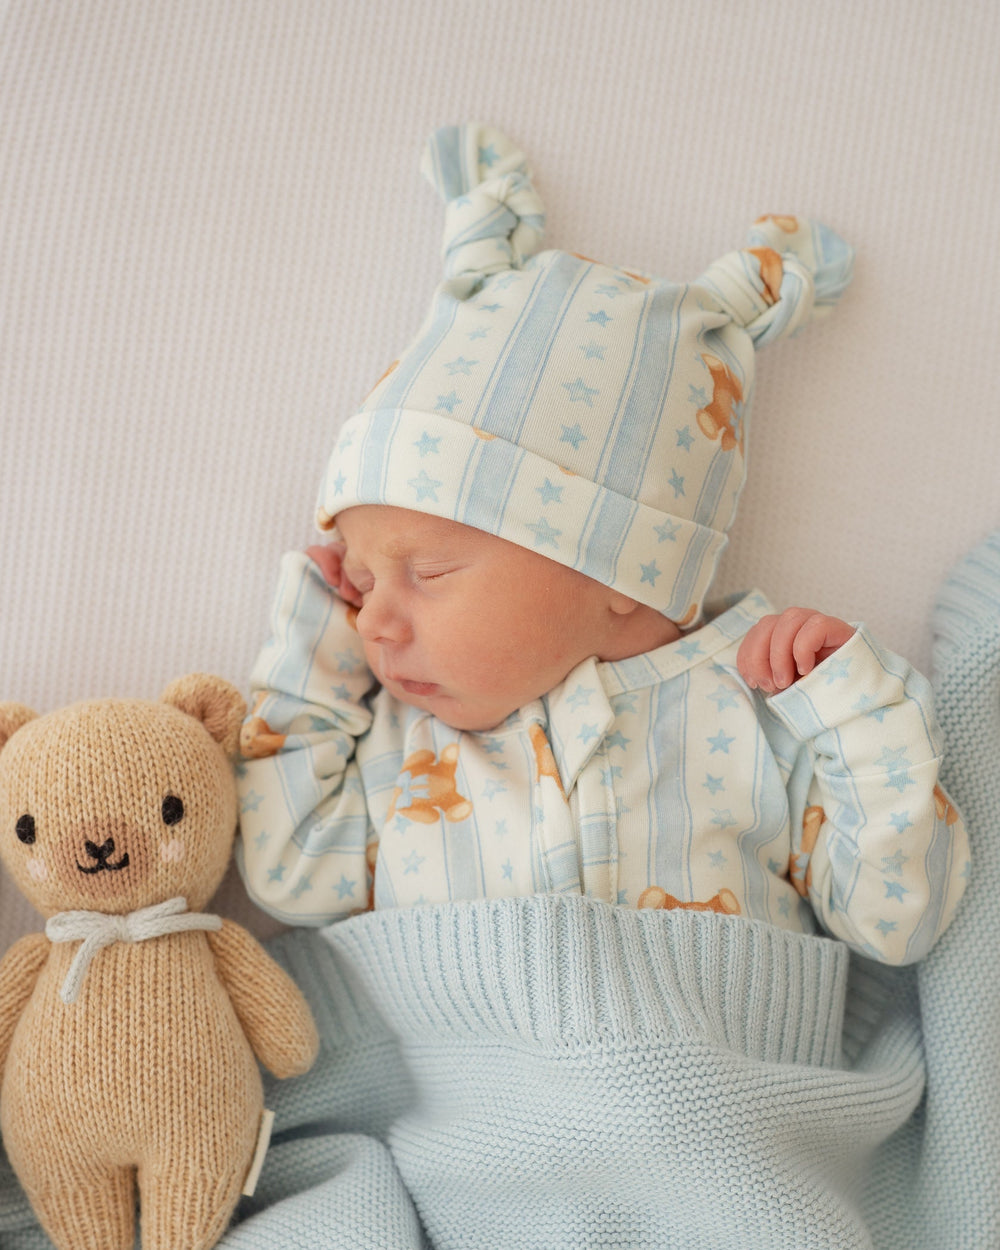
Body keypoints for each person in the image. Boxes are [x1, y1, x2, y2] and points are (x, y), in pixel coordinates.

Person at [236, 124, 968, 967]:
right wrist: (315, 638)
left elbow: (900, 922)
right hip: (483, 1091)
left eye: (428, 572)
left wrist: (852, 709)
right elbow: (284, 871)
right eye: (362, 583)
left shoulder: (758, 708)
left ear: (623, 568)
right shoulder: (407, 749)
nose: (374, 625)